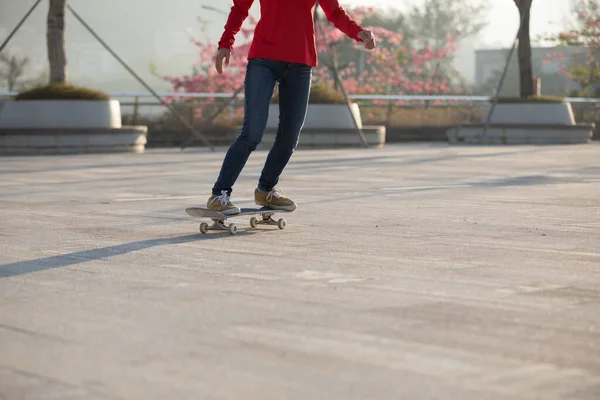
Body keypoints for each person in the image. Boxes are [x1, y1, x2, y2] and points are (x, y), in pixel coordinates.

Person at [206, 0, 376, 215]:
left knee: (289, 138)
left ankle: (266, 189)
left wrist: (358, 32)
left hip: (300, 63)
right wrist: (225, 43)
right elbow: (240, 8)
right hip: (264, 60)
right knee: (252, 133)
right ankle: (219, 194)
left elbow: (334, 12)